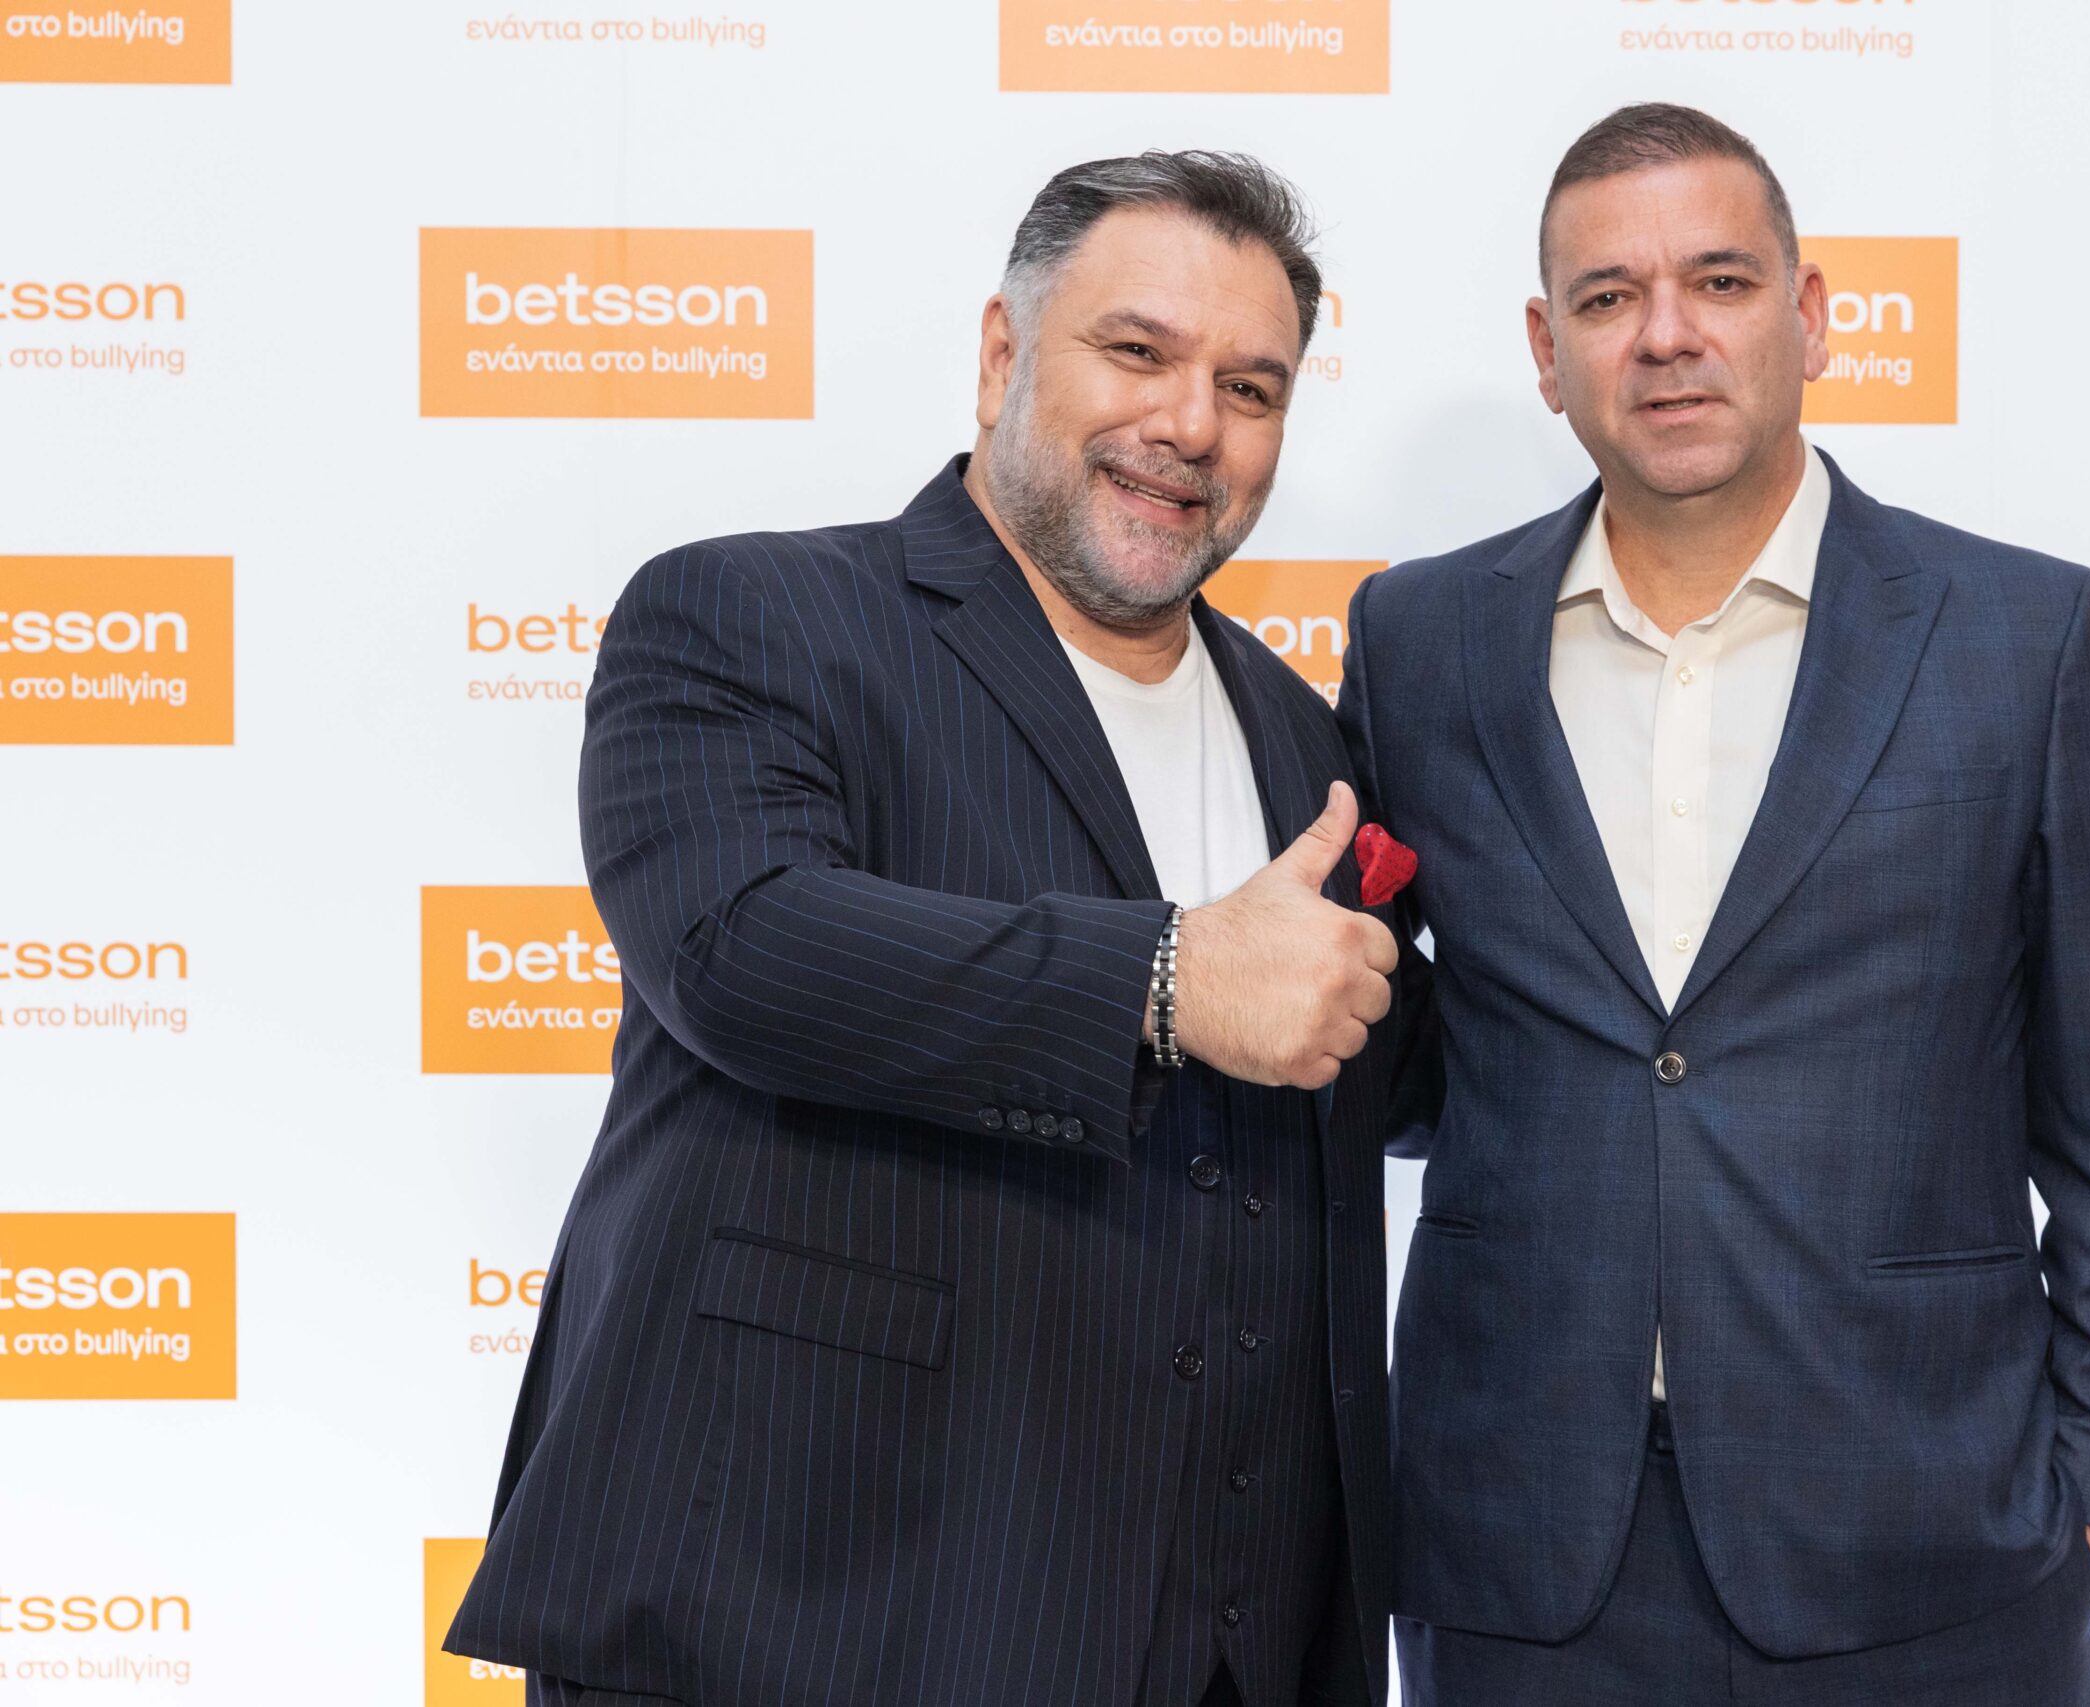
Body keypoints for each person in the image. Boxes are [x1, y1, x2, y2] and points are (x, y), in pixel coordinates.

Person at [445, 150, 1409, 1707]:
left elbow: (1386, 1076)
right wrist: (1168, 980)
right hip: (809, 1619)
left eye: (1251, 387)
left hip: (1230, 1644)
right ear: (1001, 354)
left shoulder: (1309, 743)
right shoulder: (750, 617)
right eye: (1138, 351)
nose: (1191, 425)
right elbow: (739, 948)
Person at [1341, 103, 2090, 1705]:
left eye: (1720, 282)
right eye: (1607, 297)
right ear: (1546, 350)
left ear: (1808, 315)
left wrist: (2089, 1494)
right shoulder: (1419, 642)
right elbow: (1394, 1040)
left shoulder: (2026, 639)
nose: (1665, 335)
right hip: (1520, 1553)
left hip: (1936, 1550)